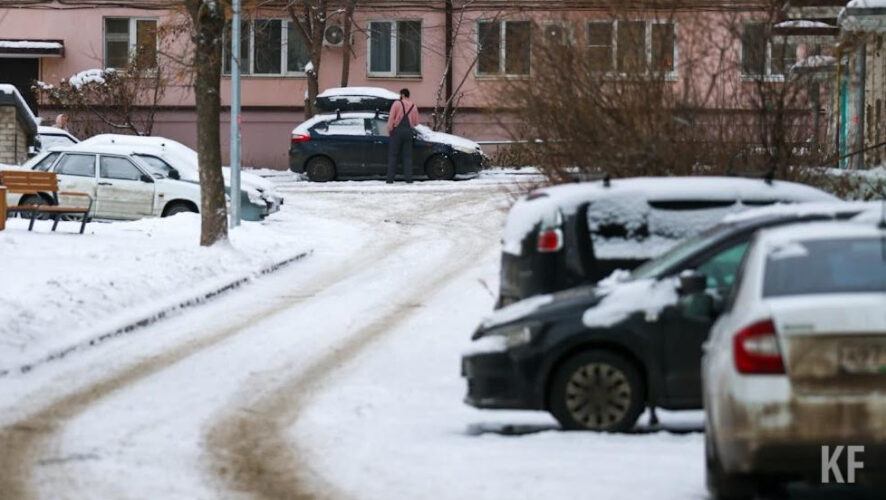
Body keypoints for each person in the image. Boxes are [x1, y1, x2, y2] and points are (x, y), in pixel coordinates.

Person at [386, 88, 419, 184]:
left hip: (397, 132)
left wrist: (389, 130)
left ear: (403, 95)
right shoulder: (414, 106)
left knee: (393, 156)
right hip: (409, 132)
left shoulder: (397, 104)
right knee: (408, 157)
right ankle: (408, 179)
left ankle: (390, 179)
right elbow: (416, 122)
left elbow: (391, 118)